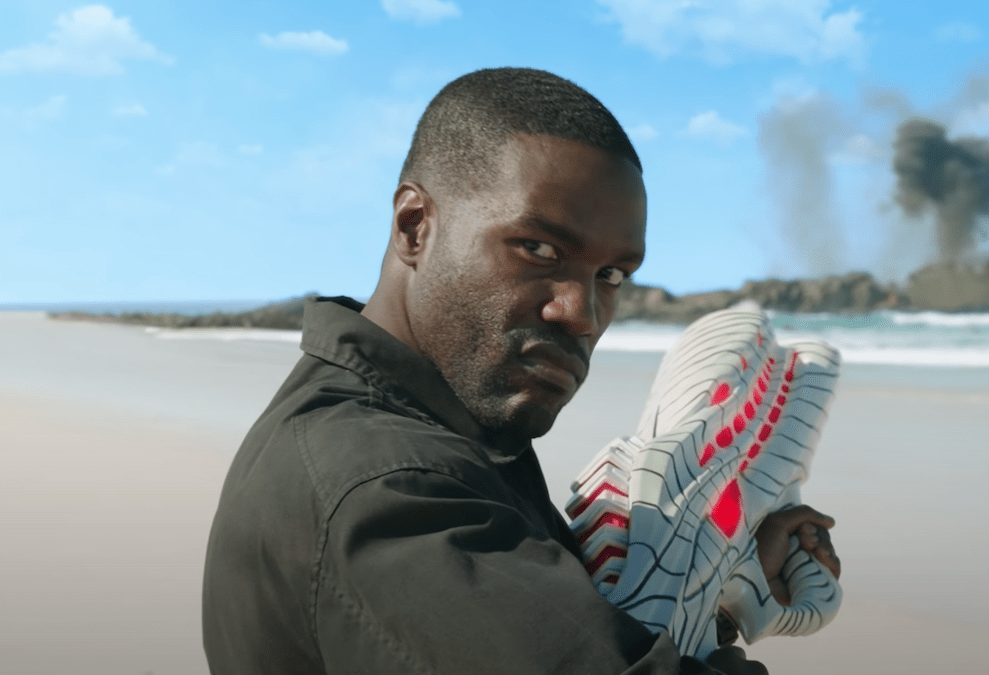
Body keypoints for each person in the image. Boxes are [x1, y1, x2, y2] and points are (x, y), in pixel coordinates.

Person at [202, 67, 840, 675]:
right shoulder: (391, 491)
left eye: (610, 275)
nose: (580, 314)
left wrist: (723, 587)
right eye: (538, 249)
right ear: (414, 227)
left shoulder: (402, 429)